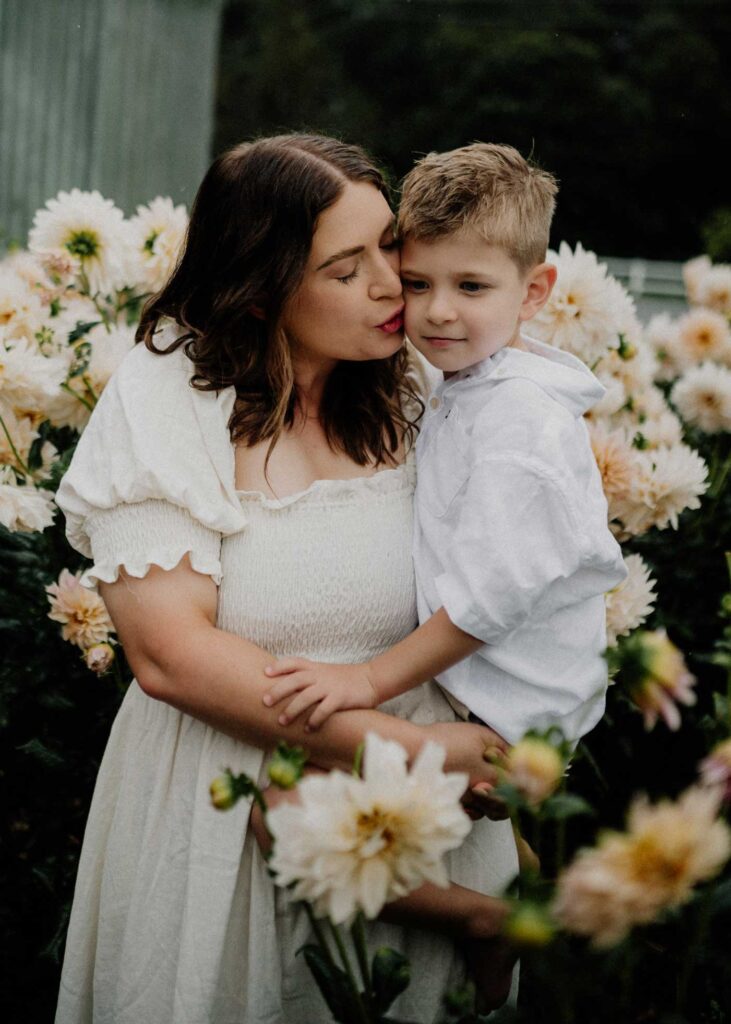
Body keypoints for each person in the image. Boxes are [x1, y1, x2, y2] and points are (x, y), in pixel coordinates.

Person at [53, 134, 520, 1024]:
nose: (391, 283)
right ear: (263, 288)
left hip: (418, 817)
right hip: (225, 803)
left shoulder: (419, 378)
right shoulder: (170, 394)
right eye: (346, 268)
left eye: (389, 243)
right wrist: (409, 746)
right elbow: (171, 657)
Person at [262, 142, 628, 754]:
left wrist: (368, 679)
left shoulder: (519, 422)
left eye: (472, 286)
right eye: (417, 283)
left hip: (506, 713)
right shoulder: (474, 384)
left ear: (535, 292)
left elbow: (489, 599)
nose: (438, 311)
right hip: (471, 690)